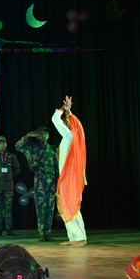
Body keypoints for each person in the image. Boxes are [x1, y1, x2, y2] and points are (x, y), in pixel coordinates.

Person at [52, 96, 88, 247]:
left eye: (68, 122)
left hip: (69, 178)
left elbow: (55, 120)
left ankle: (80, 237)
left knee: (70, 204)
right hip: (67, 177)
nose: (66, 124)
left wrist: (63, 110)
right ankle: (73, 237)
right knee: (66, 204)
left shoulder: (69, 136)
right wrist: (68, 112)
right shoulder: (73, 138)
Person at [15, 126, 59, 242]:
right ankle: (41, 233)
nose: (44, 135)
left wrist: (58, 181)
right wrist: (27, 136)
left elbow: (56, 166)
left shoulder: (53, 149)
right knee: (40, 206)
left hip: (51, 178)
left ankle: (48, 233)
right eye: (41, 134)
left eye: (46, 134)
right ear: (37, 136)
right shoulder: (32, 147)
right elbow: (18, 146)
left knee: (50, 206)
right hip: (39, 177)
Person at [0, 136, 21, 237]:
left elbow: (17, 170)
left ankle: (9, 230)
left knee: (8, 208)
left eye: (4, 143)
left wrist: (9, 176)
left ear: (6, 144)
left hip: (8, 186)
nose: (2, 145)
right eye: (0, 143)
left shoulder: (11, 156)